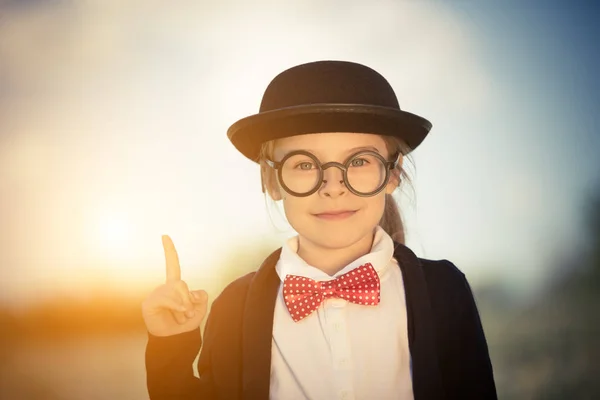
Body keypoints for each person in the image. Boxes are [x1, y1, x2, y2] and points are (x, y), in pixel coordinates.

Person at [142, 60, 497, 400]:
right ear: (271, 180)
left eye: (358, 161)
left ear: (392, 173)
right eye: (303, 164)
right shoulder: (234, 307)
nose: (332, 186)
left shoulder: (444, 291)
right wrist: (171, 344)